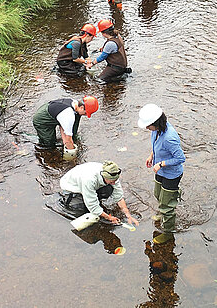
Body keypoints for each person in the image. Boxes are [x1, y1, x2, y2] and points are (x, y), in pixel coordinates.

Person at [138, 104, 185, 244]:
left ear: (156, 123)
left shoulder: (170, 137)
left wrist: (161, 164)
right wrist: (151, 156)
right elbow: (156, 144)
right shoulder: (157, 130)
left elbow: (180, 158)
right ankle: (165, 208)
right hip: (159, 169)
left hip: (171, 174)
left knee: (167, 206)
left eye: (148, 125)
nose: (147, 128)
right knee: (158, 194)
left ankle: (168, 233)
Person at [59, 161, 139, 226]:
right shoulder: (89, 180)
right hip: (72, 189)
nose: (114, 183)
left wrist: (128, 215)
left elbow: (119, 196)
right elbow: (93, 206)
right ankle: (71, 200)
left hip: (88, 184)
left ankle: (94, 196)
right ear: (105, 177)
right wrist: (109, 218)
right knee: (80, 210)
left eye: (115, 181)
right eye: (112, 181)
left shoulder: (113, 174)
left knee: (109, 189)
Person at [32, 96, 99, 158]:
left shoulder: (76, 104)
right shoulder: (68, 115)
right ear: (81, 107)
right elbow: (67, 139)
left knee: (76, 120)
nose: (86, 115)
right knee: (49, 143)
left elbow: (63, 127)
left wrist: (67, 138)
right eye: (85, 113)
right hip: (43, 119)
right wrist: (71, 153)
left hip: (56, 112)